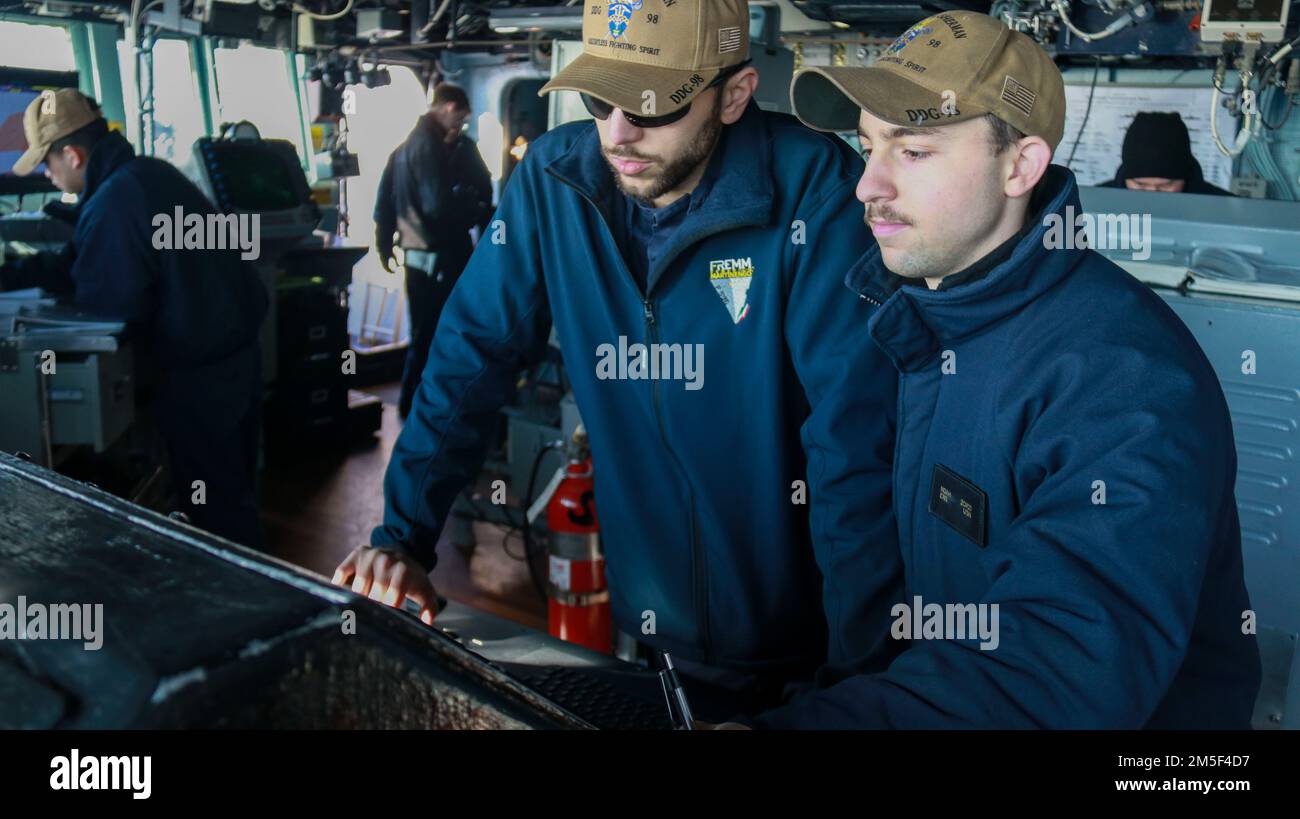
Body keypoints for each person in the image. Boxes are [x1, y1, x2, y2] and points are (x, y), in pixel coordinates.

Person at [334, 0, 903, 714]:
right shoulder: (554, 180)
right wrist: (403, 537)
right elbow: (467, 356)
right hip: (650, 612)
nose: (618, 131)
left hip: (801, 635)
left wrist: (858, 690)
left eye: (652, 105)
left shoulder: (814, 190)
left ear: (733, 95)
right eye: (599, 97)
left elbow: (854, 443)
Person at [755, 11, 1260, 728]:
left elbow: (1052, 672)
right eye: (867, 146)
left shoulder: (1123, 377)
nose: (868, 185)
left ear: (1019, 165)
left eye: (914, 151)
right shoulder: (924, 316)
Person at [0, 89, 267, 548]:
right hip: (234, 359)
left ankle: (230, 605)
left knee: (214, 509)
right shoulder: (144, 175)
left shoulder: (115, 201)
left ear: (74, 155)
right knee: (231, 492)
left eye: (48, 162)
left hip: (199, 380)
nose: (47, 173)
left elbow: (112, 308)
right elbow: (78, 260)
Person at [374, 82, 494, 420]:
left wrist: (385, 243)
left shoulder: (402, 150)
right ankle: (421, 406)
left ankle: (415, 405)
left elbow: (385, 204)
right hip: (442, 256)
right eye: (461, 119)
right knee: (443, 332)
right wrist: (472, 206)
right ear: (449, 109)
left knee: (423, 332)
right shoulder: (430, 150)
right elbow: (439, 205)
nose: (460, 127)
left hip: (417, 258)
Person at [1098, 111, 1234, 195]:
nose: (1152, 195)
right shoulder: (1088, 205)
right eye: (1140, 185)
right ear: (1125, 178)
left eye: (1165, 186)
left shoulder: (1228, 210)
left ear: (1185, 178)